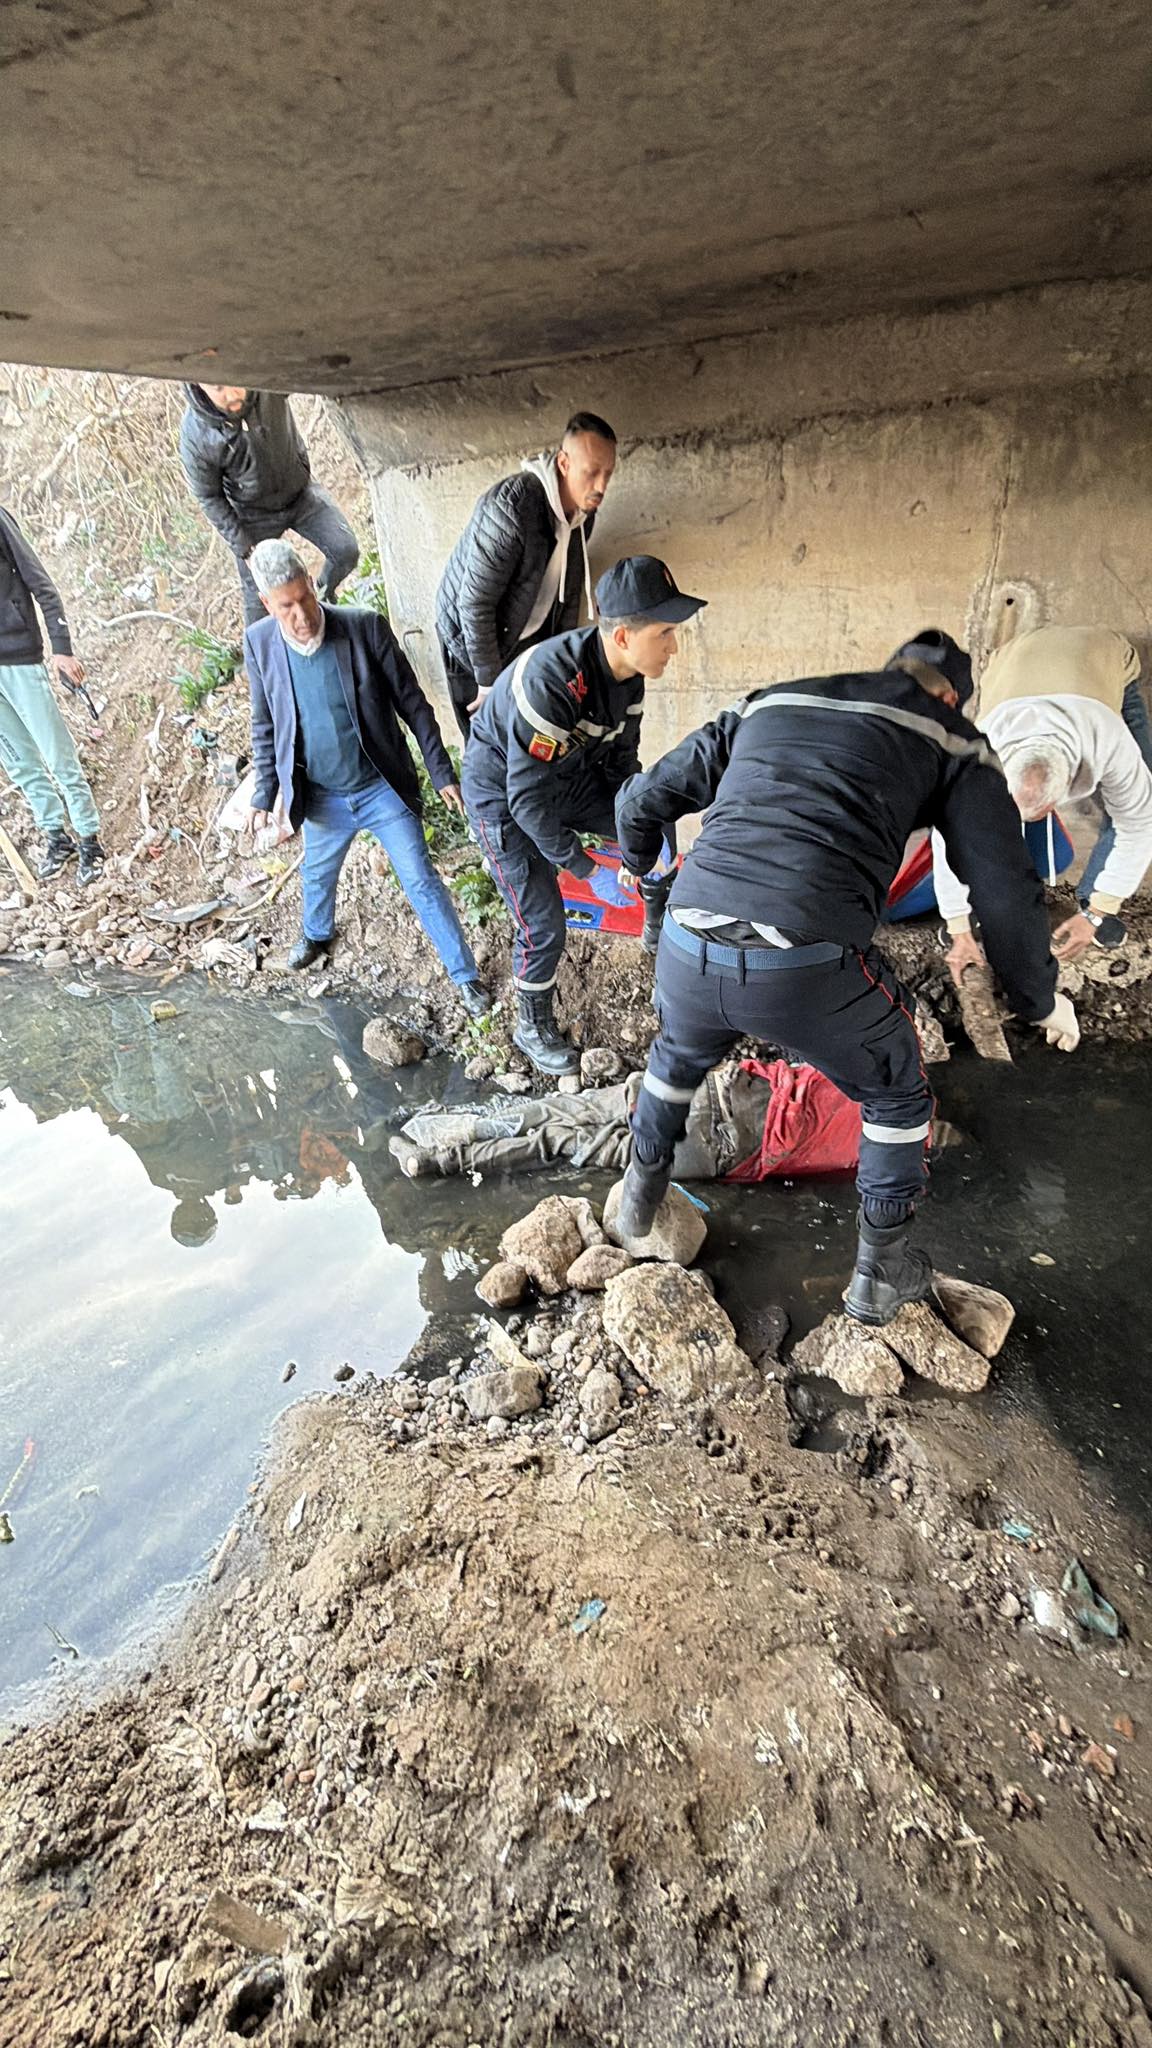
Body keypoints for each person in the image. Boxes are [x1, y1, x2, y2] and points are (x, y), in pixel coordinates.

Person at [613, 646, 1078, 1327]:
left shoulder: (772, 697)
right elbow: (1006, 894)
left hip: (689, 940)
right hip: (802, 961)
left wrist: (649, 896)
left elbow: (644, 798)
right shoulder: (950, 737)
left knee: (677, 1056)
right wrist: (1038, 1001)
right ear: (952, 697)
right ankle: (880, 1272)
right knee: (897, 1090)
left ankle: (639, 1201)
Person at [462, 555, 705, 1075]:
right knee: (543, 919)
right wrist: (586, 869)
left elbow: (623, 769)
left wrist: (640, 832)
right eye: (664, 632)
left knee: (651, 812)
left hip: (565, 778)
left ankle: (656, 920)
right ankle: (532, 1026)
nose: (674, 645)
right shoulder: (552, 681)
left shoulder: (631, 680)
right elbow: (526, 800)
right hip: (502, 799)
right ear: (621, 636)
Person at [243, 539, 490, 1012]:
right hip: (321, 797)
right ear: (267, 605)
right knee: (317, 874)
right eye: (287, 607)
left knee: (420, 878)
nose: (301, 615)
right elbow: (265, 723)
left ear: (314, 584)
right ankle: (316, 935)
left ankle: (465, 976)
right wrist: (263, 794)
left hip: (381, 788)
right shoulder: (259, 644)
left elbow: (413, 705)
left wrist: (441, 772)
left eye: (306, 598)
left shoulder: (362, 629)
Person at [933, 625, 1152, 975]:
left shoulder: (1108, 743)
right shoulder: (978, 752)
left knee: (1139, 790)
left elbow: (1139, 825)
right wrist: (958, 923)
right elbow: (951, 835)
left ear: (1062, 796)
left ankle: (1090, 898)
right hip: (1017, 658)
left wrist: (1099, 910)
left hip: (1098, 653)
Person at [435, 412, 618, 739]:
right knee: (488, 747)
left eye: (608, 473)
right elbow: (474, 604)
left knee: (533, 740)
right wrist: (489, 684)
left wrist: (559, 665)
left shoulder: (583, 514)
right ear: (564, 464)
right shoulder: (512, 509)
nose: (601, 486)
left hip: (523, 637)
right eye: (591, 473)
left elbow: (568, 596)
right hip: (469, 643)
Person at [179, 385, 360, 628]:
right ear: (198, 385)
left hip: (300, 492)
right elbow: (209, 496)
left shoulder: (265, 384)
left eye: (233, 382)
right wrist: (245, 548)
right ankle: (263, 659)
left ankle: (321, 597)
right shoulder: (195, 434)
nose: (232, 395)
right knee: (257, 606)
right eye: (218, 388)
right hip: (252, 515)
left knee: (345, 550)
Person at [0, 504, 105, 884]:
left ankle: (89, 838)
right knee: (20, 763)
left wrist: (62, 648)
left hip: (18, 657)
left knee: (55, 751)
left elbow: (40, 583)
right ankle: (56, 836)